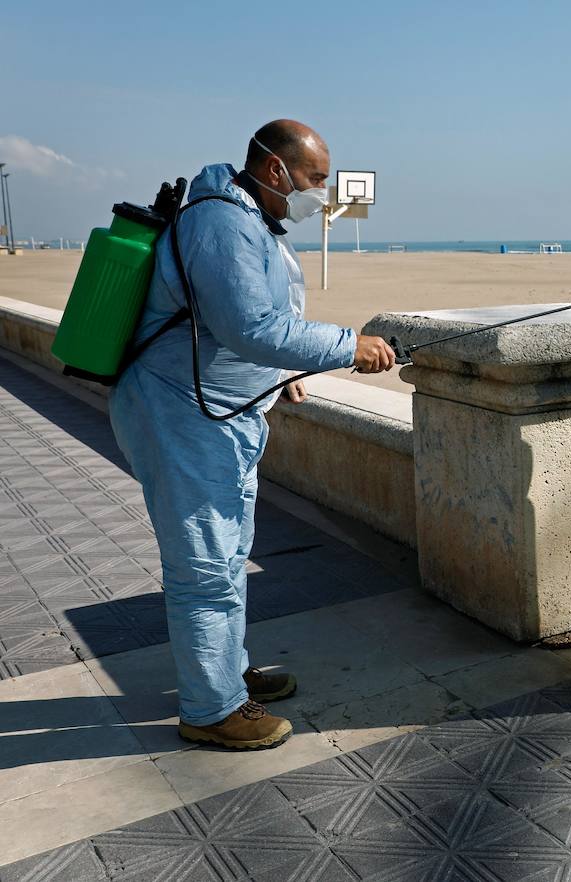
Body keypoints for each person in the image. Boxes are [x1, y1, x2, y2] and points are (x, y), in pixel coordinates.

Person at [109, 120, 396, 750]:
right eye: (315, 179)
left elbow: (240, 329)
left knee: (227, 557)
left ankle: (228, 676)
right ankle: (212, 710)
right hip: (180, 414)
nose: (321, 193)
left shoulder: (248, 218)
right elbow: (248, 327)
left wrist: (283, 369)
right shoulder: (221, 224)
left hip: (212, 411)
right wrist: (348, 347)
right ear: (275, 171)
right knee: (204, 566)